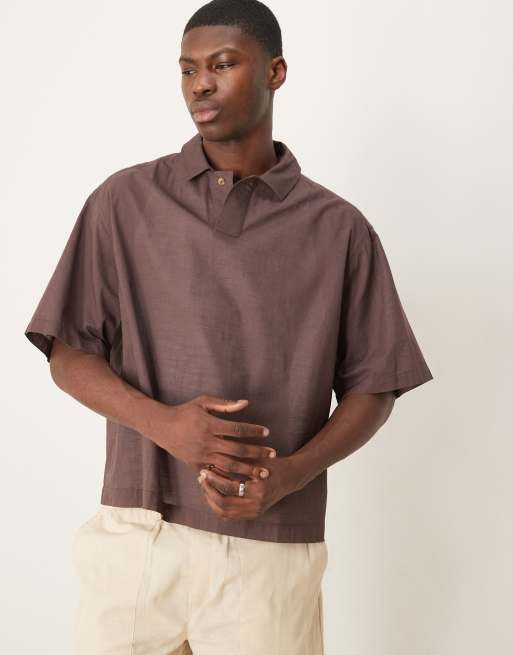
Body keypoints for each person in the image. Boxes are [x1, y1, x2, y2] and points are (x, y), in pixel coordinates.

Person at [24, 0, 434, 653]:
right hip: (138, 531)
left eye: (221, 65)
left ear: (275, 72)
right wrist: (165, 424)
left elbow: (375, 385)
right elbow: (68, 352)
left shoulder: (338, 229)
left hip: (269, 548)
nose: (200, 85)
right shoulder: (125, 201)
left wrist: (292, 475)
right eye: (188, 70)